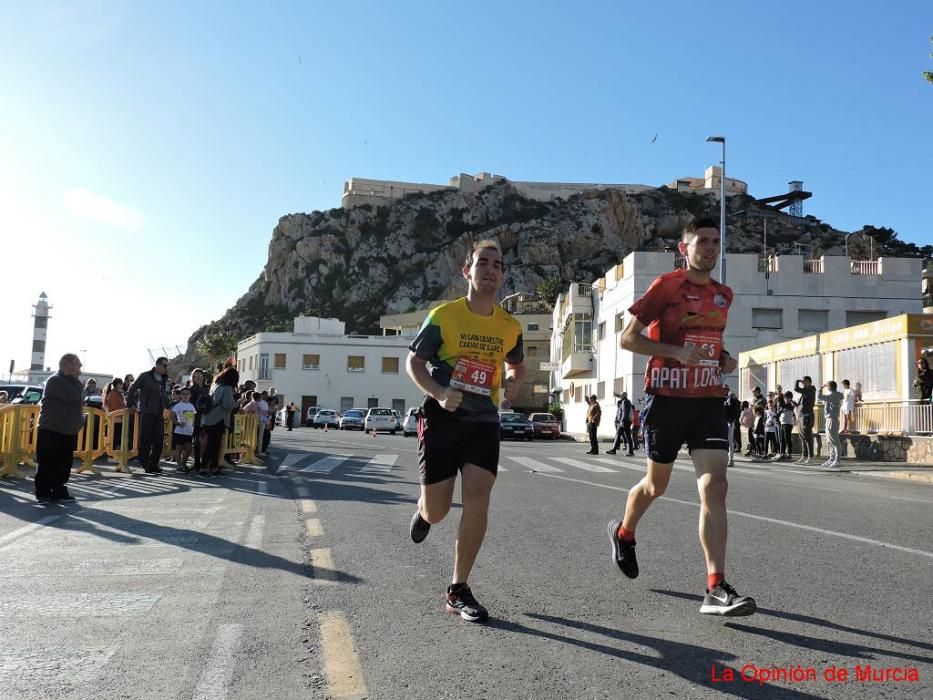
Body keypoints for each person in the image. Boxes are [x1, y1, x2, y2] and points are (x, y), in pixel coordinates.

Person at [607, 217, 756, 617]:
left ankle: (716, 586)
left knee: (715, 487)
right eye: (702, 241)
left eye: (715, 242)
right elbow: (627, 338)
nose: (710, 248)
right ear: (683, 247)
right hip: (667, 399)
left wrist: (722, 359)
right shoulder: (667, 286)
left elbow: (710, 341)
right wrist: (675, 354)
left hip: (707, 399)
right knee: (656, 486)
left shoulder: (724, 294)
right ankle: (624, 533)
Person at [405, 239, 525, 623]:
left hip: (483, 421)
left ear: (502, 275)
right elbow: (414, 363)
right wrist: (440, 394)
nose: (490, 270)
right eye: (483, 263)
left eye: (497, 265)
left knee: (478, 496)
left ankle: (458, 588)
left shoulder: (510, 326)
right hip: (442, 419)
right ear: (467, 271)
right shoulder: (444, 316)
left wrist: (512, 385)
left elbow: (517, 366)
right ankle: (424, 511)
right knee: (439, 510)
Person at [34, 354, 84, 503]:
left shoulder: (72, 381)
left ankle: (58, 491)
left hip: (67, 430)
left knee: (64, 463)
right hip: (51, 429)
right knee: (47, 462)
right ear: (68, 365)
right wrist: (77, 382)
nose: (80, 367)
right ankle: (43, 493)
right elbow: (74, 396)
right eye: (77, 364)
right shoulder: (56, 380)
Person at [126, 357, 171, 474]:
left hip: (159, 413)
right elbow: (132, 389)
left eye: (167, 366)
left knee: (159, 439)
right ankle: (145, 464)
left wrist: (168, 401)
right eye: (164, 365)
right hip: (146, 412)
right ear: (157, 364)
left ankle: (154, 463)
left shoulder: (164, 379)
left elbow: (165, 395)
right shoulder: (145, 376)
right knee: (145, 439)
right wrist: (130, 404)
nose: (166, 368)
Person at [201, 366, 238, 477]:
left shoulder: (215, 385)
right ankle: (212, 468)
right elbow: (227, 405)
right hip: (219, 419)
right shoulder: (227, 388)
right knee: (215, 445)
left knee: (210, 445)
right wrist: (237, 403)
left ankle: (207, 467)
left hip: (210, 418)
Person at [818, 381, 844, 468]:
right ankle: (832, 458)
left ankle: (837, 460)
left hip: (832, 419)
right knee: (829, 441)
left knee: (835, 441)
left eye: (827, 386)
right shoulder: (835, 395)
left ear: (829, 387)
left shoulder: (833, 395)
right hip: (829, 419)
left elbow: (819, 396)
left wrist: (821, 388)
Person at [171, 388, 196, 472]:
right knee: (179, 449)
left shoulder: (191, 405)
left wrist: (194, 426)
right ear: (180, 395)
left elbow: (194, 416)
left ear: (190, 395)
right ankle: (178, 466)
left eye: (187, 394)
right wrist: (177, 423)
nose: (185, 396)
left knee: (189, 449)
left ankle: (183, 464)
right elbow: (172, 414)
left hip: (189, 432)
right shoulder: (178, 405)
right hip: (179, 431)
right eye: (183, 394)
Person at [794, 376, 817, 465]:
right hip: (801, 415)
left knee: (807, 436)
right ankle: (804, 456)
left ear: (809, 382)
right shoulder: (805, 391)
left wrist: (797, 381)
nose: (802, 383)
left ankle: (810, 456)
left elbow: (796, 388)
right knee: (802, 437)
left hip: (807, 416)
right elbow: (804, 403)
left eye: (804, 381)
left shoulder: (810, 389)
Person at [607, 392, 635, 456]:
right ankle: (614, 450)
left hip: (624, 422)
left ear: (623, 396)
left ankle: (631, 452)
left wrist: (622, 421)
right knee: (619, 435)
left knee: (627, 436)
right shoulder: (626, 401)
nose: (620, 396)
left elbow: (625, 412)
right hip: (624, 421)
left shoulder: (625, 402)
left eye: (621, 395)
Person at [723, 386, 741, 466]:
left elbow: (736, 409)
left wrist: (733, 419)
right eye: (723, 390)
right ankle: (725, 458)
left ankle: (731, 459)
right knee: (724, 441)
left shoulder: (731, 399)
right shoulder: (722, 398)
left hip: (729, 422)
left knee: (729, 441)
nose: (724, 391)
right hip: (723, 422)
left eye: (726, 390)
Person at [778, 392, 796, 460]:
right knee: (782, 439)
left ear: (790, 398)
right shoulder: (784, 405)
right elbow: (780, 409)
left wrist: (780, 396)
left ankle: (789, 453)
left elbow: (783, 405)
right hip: (782, 423)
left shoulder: (790, 405)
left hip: (788, 423)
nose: (785, 399)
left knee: (787, 439)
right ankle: (782, 453)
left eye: (786, 398)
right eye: (785, 398)